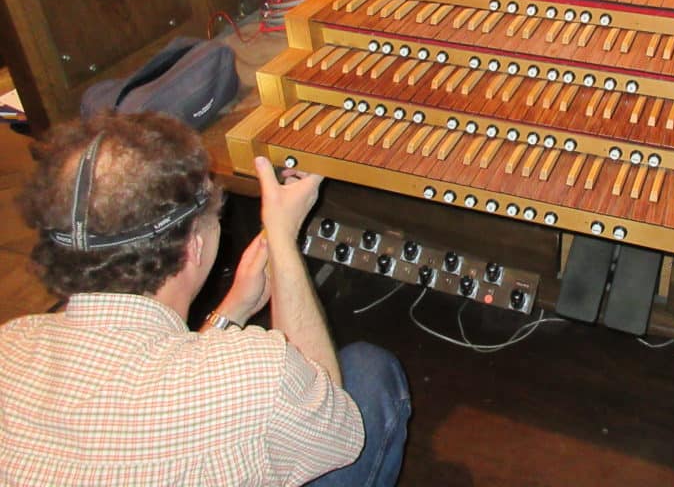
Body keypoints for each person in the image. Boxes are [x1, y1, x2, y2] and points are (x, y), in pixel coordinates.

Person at [0, 111, 410, 486]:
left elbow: (155, 373)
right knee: (369, 371)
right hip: (320, 423)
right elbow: (333, 431)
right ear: (193, 246)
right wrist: (283, 239)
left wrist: (232, 310)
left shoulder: (11, 344)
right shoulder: (255, 372)